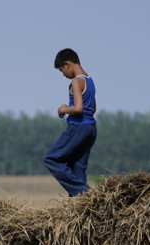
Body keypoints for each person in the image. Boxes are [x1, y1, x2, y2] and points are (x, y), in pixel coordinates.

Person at [44, 48, 97, 197]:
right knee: (78, 166)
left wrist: (63, 110)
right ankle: (82, 204)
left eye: (62, 71)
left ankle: (84, 193)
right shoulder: (89, 80)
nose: (63, 75)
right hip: (90, 128)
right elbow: (92, 107)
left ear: (68, 64)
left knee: (51, 158)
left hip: (78, 127)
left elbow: (79, 108)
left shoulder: (76, 81)